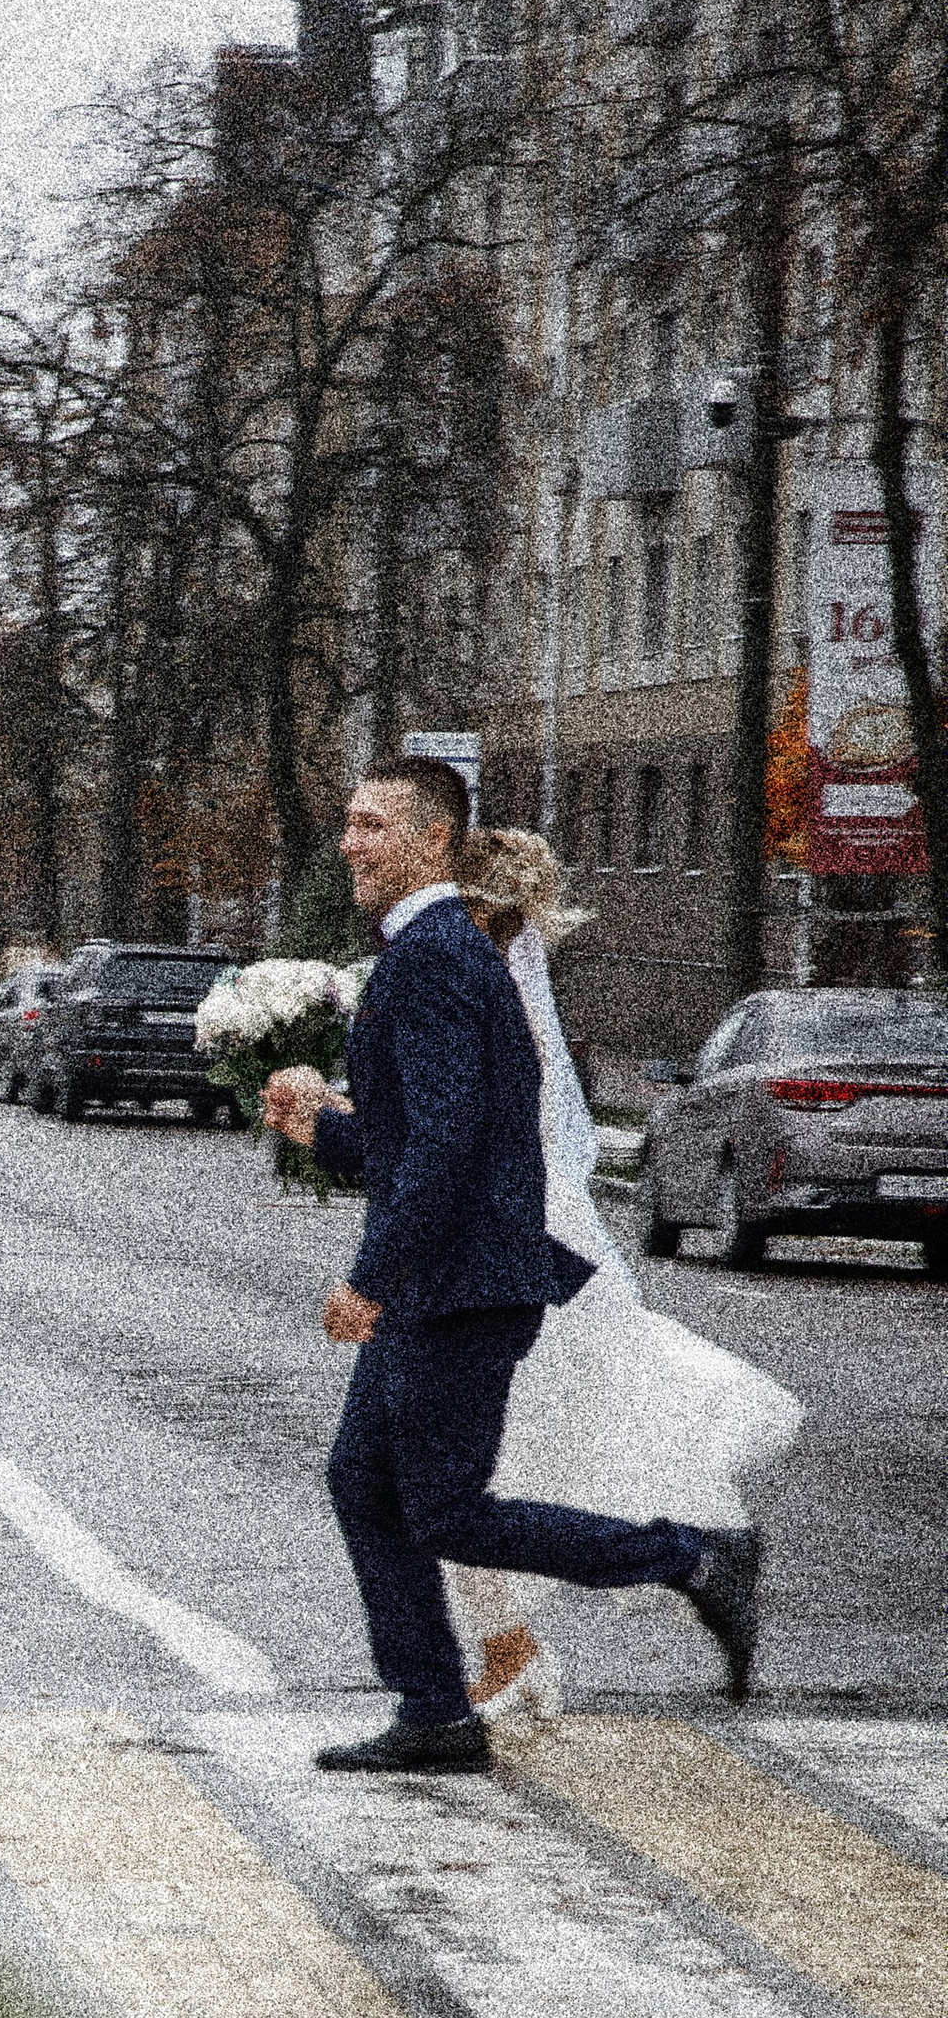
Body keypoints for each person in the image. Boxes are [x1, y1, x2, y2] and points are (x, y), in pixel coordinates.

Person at [262, 760, 757, 1775]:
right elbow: (430, 1140)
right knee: (363, 1484)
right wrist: (321, 1132)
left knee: (443, 1508)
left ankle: (690, 1557)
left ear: (433, 840)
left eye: (373, 826)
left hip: (461, 1284)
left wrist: (371, 1276)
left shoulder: (437, 954)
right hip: (447, 1280)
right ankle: (434, 1709)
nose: (351, 845)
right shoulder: (428, 949)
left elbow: (446, 1148)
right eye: (349, 824)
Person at [441, 828, 801, 1729]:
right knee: (480, 1460)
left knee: (474, 1462)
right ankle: (519, 1646)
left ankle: (675, 1564)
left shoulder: (483, 995)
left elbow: (481, 1129)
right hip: (516, 1233)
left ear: (476, 909)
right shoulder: (483, 985)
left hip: (510, 1240)